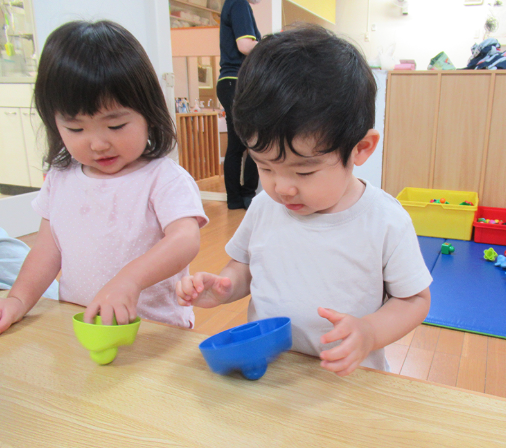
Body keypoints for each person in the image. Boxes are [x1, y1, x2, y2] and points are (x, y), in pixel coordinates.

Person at [176, 25, 432, 376]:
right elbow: (246, 267)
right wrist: (225, 287)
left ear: (360, 148)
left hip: (347, 379)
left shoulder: (384, 220)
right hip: (272, 373)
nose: (283, 188)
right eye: (265, 166)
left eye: (304, 171)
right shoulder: (265, 207)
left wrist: (370, 332)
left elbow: (414, 299)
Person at [0, 20, 208, 334]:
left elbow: (185, 239)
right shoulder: (61, 178)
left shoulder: (163, 178)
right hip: (83, 326)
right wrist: (17, 299)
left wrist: (130, 280)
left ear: (149, 114)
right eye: (76, 128)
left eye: (115, 126)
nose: (98, 144)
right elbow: (46, 251)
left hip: (153, 330)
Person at [217, 0, 261, 210]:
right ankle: (246, 195)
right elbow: (245, 45)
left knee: (238, 144)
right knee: (255, 141)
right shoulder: (239, 3)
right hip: (237, 82)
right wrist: (271, 45)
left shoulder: (234, 3)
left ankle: (236, 199)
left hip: (230, 83)